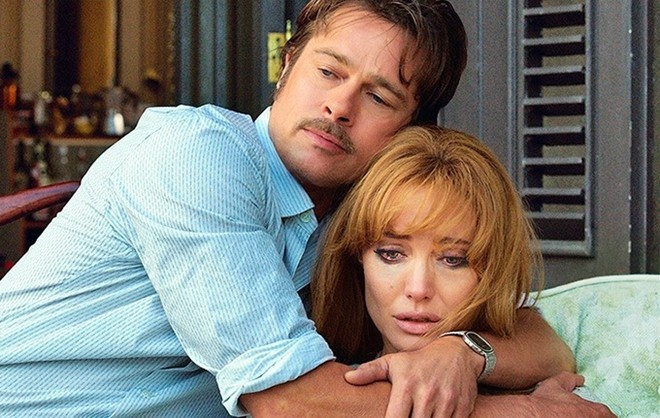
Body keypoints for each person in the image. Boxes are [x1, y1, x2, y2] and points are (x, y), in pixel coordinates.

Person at [0, 1, 574, 417]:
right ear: (287, 64)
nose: (339, 106)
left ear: (411, 127)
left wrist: (464, 353)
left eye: (378, 96)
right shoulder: (194, 155)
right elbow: (287, 400)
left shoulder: (368, 223)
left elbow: (540, 338)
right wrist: (523, 413)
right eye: (328, 72)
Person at [310, 125, 615, 417]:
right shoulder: (323, 386)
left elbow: (547, 342)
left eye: (453, 259)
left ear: (493, 268)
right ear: (359, 256)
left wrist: (462, 351)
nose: (418, 288)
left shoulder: (557, 398)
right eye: (391, 254)